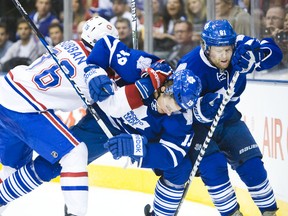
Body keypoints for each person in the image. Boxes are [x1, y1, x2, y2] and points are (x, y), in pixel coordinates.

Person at [0, 16, 119, 216]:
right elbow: (114, 102)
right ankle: (76, 213)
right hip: (25, 107)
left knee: (13, 170)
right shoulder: (95, 72)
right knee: (76, 153)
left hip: (6, 91)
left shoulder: (68, 44)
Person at [175, 19, 282, 216]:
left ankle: (270, 213)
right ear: (206, 47)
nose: (225, 56)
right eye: (218, 50)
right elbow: (177, 108)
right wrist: (200, 109)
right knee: (215, 169)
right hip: (198, 128)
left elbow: (275, 53)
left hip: (229, 118)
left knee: (253, 167)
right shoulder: (189, 67)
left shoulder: (239, 46)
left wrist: (256, 56)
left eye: (228, 49)